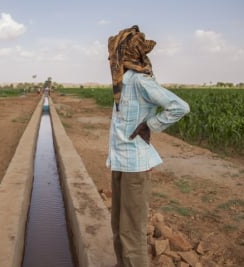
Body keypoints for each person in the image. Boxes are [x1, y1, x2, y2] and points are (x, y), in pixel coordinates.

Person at [106, 25, 190, 267]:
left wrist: (150, 124)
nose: (110, 59)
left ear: (123, 54)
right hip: (120, 163)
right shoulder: (121, 83)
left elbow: (179, 107)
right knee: (118, 228)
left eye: (113, 54)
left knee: (131, 233)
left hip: (135, 167)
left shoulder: (139, 82)